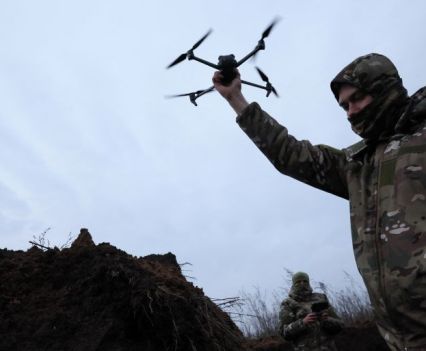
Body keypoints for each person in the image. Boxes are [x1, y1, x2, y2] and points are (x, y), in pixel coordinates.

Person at [212, 53, 426, 351]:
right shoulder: (359, 164)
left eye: (357, 99)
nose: (351, 112)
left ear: (383, 88)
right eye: (344, 106)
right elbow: (292, 155)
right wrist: (236, 99)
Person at [279, 272, 343, 351]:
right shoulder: (288, 303)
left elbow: (340, 325)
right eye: (298, 282)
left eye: (305, 281)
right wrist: (303, 322)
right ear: (293, 284)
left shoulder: (321, 298)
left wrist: (326, 320)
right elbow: (285, 333)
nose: (302, 284)